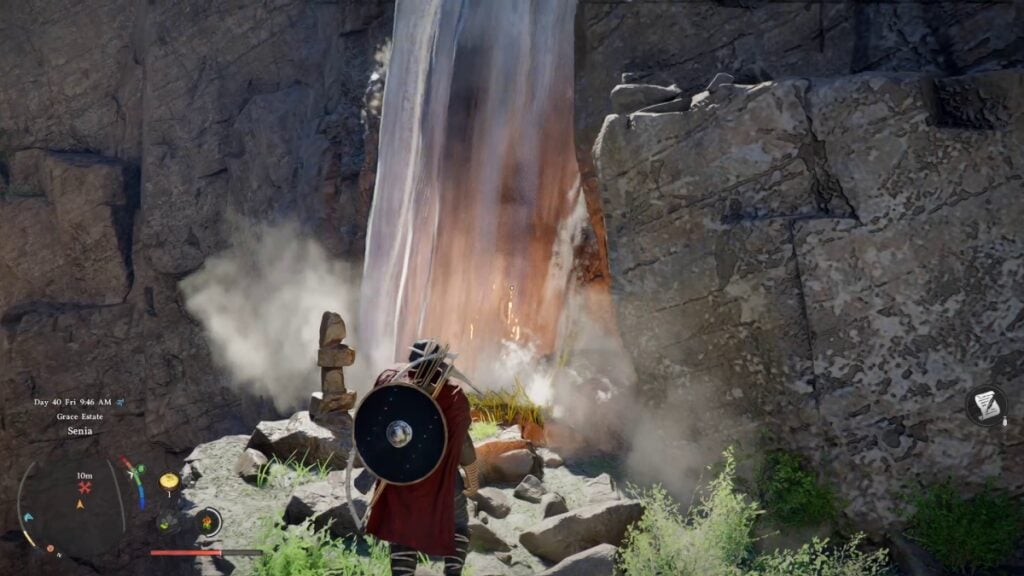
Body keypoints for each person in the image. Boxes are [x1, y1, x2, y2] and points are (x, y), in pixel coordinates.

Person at [364, 339, 480, 576]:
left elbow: (373, 425)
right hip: (441, 482)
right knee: (457, 523)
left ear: (412, 359)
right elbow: (462, 443)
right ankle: (453, 572)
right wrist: (472, 476)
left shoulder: (389, 380)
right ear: (440, 365)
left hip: (398, 478)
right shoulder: (453, 394)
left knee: (401, 530)